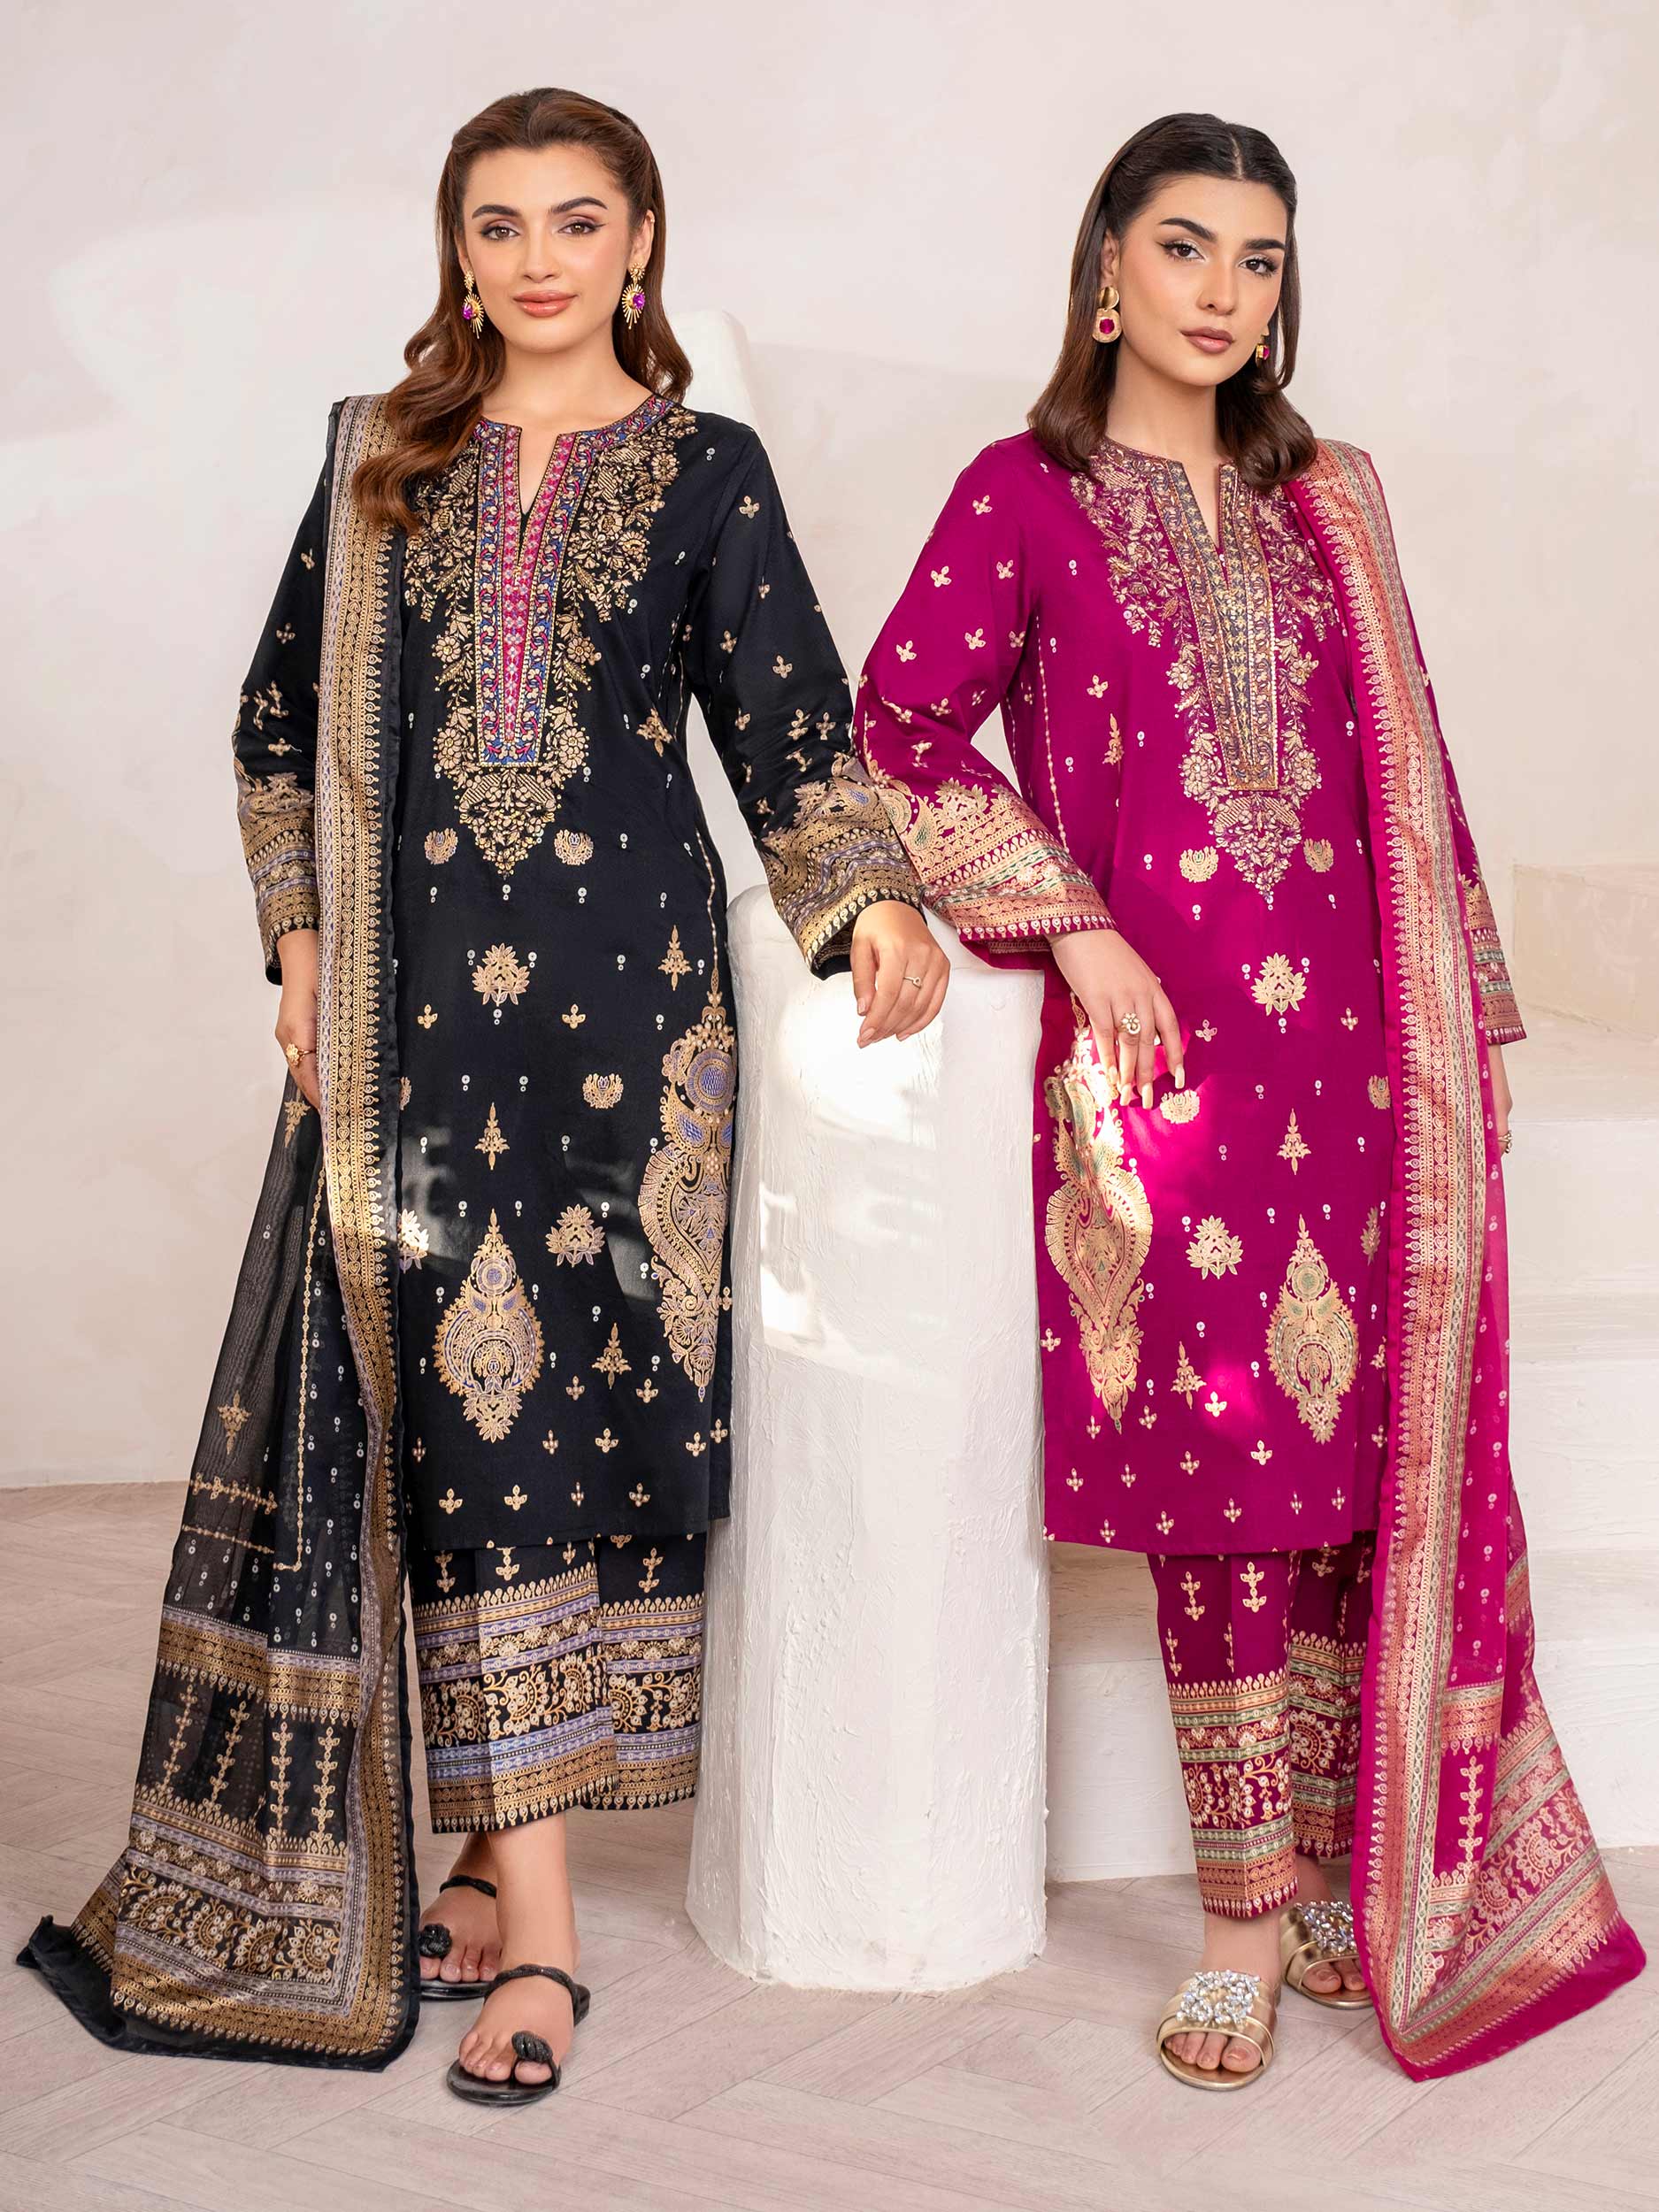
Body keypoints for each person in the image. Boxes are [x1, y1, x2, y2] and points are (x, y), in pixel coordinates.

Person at [22, 85, 945, 2103]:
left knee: (585, 1432)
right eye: (500, 224)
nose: (538, 259)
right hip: (416, 1029)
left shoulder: (706, 468)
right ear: (457, 250)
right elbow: (277, 721)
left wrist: (864, 900)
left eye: (577, 220)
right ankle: (543, 1941)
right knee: (459, 1425)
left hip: (632, 1037)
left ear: (641, 241)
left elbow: (790, 727)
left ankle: (480, 1858)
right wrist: (299, 950)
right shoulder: (383, 462)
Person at [856, 111, 1643, 2086]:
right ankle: (1233, 1913)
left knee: (1350, 1464)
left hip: (1361, 1062)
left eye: (1259, 259)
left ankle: (1324, 1875)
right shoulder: (1021, 493)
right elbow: (898, 726)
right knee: (1222, 1476)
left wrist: (1465, 1040)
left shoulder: (1327, 504)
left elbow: (1415, 779)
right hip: (1163, 1066)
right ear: (1104, 273)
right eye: (1185, 248)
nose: (1222, 293)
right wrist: (1072, 928)